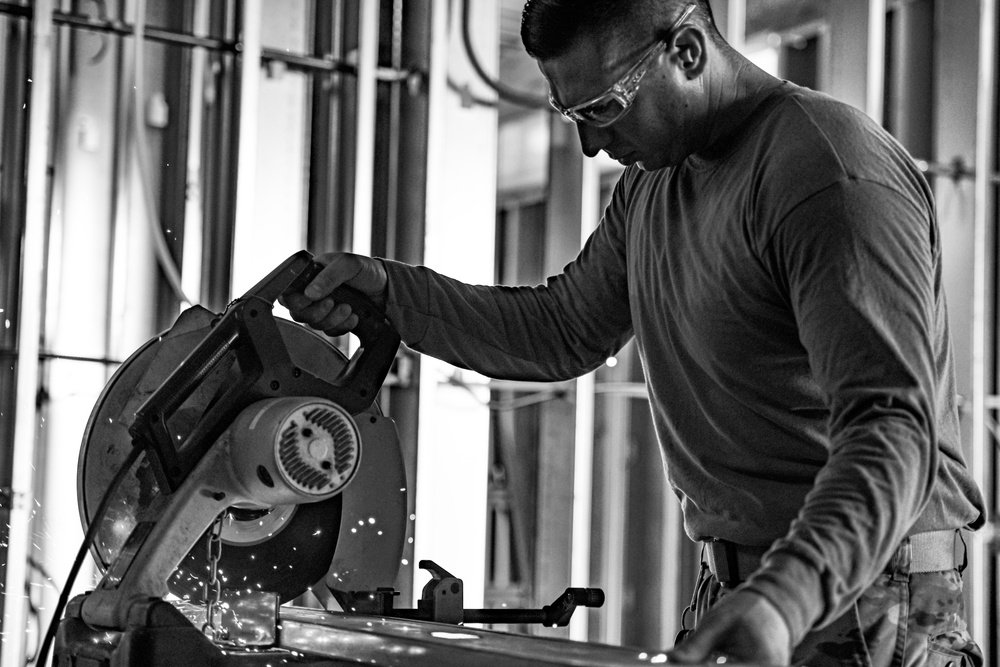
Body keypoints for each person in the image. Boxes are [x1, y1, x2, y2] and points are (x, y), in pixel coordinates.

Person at [281, 0, 986, 664]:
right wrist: (390, 292)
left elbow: (892, 430)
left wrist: (783, 598)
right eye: (571, 115)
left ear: (686, 49)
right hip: (755, 582)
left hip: (865, 597)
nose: (590, 145)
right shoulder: (652, 188)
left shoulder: (825, 170)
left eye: (603, 108)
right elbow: (559, 329)